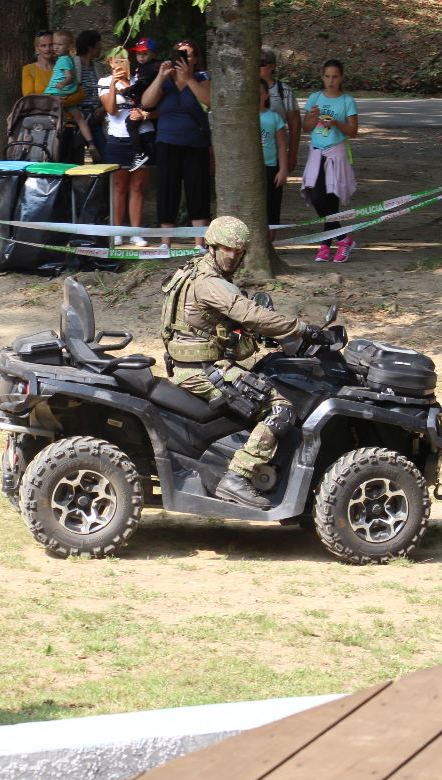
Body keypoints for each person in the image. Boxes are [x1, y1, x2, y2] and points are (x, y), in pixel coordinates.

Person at [160, 216, 330, 509]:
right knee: (280, 408)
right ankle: (237, 477)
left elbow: (213, 324)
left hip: (189, 365)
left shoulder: (193, 271)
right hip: (202, 371)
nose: (232, 256)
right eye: (226, 249)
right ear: (212, 246)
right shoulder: (210, 283)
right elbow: (250, 314)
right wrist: (301, 329)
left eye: (238, 251)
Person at [137, 38, 212, 248]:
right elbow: (146, 102)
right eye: (180, 54)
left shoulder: (202, 78)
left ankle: (199, 242)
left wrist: (188, 79)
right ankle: (165, 242)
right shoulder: (166, 81)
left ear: (195, 59)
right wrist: (161, 77)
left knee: (197, 191)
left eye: (188, 54)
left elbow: (208, 100)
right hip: (167, 142)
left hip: (195, 143)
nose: (184, 58)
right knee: (167, 191)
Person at [301, 59, 358, 264]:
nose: (331, 81)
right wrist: (312, 116)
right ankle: (344, 238)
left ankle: (326, 245)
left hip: (336, 154)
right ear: (322, 77)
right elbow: (306, 127)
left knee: (331, 200)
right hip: (317, 153)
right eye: (327, 76)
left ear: (341, 78)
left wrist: (336, 123)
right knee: (317, 198)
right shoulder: (315, 98)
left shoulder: (347, 101)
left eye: (335, 77)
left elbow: (353, 131)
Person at [99, 53, 148, 247]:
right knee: (119, 185)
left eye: (124, 59)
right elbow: (111, 110)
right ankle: (118, 231)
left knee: (138, 186)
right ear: (110, 62)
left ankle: (136, 233)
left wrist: (128, 85)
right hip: (117, 138)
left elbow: (146, 104)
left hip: (141, 136)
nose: (121, 63)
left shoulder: (139, 80)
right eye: (116, 60)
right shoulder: (104, 82)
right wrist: (114, 83)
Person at [45, 30, 96, 157]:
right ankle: (91, 143)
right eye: (54, 44)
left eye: (60, 45)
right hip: (66, 94)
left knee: (52, 118)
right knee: (80, 119)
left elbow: (69, 76)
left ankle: (52, 144)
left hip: (55, 92)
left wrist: (62, 83)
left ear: (69, 46)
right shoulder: (69, 59)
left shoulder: (63, 59)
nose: (56, 47)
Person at [260, 46, 300, 174]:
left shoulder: (284, 91)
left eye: (261, 63)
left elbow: (295, 124)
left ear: (272, 66)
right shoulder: (246, 91)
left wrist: (292, 155)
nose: (257, 67)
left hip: (276, 157)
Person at [259, 78, 289, 237]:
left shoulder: (274, 118)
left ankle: (271, 241)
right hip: (251, 170)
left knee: (272, 206)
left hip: (271, 167)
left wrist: (283, 170)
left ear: (266, 95)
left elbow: (282, 145)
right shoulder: (243, 119)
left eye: (260, 93)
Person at [126, 36, 160, 173]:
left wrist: (128, 91)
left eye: (144, 53)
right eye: (138, 54)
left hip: (150, 103)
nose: (141, 57)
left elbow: (142, 84)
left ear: (153, 54)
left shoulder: (151, 67)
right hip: (146, 103)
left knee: (130, 122)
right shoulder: (144, 67)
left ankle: (139, 153)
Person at [75, 30, 105, 161]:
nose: (101, 48)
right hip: (78, 119)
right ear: (90, 47)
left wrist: (103, 109)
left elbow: (104, 91)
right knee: (75, 159)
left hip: (95, 117)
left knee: (103, 156)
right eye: (98, 45)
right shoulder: (73, 65)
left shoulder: (98, 67)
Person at [20, 29, 52, 96]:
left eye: (51, 45)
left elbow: (75, 94)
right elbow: (28, 95)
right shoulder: (29, 69)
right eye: (43, 45)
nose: (48, 49)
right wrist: (52, 97)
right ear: (37, 48)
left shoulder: (62, 67)